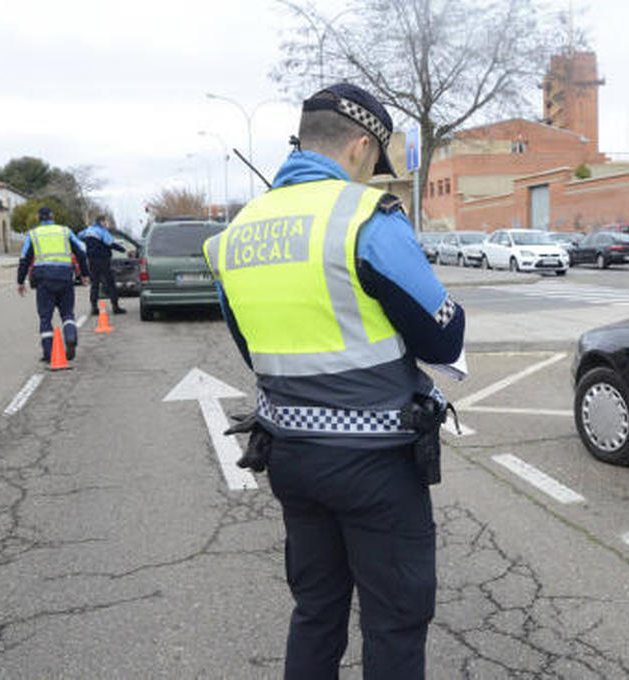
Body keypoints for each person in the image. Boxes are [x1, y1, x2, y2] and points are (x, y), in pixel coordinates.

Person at [203, 83, 465, 680]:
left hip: (291, 458)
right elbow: (443, 338)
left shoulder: (238, 232)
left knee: (316, 611)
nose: (374, 174)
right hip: (376, 463)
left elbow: (253, 348)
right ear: (359, 145)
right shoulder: (364, 218)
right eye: (375, 162)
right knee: (395, 621)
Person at [17, 206, 90, 362]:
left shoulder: (33, 234)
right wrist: (84, 275)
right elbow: (81, 251)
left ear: (39, 218)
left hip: (44, 280)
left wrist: (20, 281)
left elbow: (24, 259)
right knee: (67, 314)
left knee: (45, 317)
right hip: (65, 278)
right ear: (53, 217)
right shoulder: (65, 231)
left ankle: (49, 353)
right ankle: (70, 337)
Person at [78, 214, 128, 314]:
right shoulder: (102, 231)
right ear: (102, 222)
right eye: (106, 221)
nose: (107, 224)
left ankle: (94, 308)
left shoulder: (88, 230)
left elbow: (79, 236)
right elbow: (110, 243)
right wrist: (123, 250)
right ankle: (115, 306)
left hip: (92, 260)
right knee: (110, 283)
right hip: (103, 260)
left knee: (95, 284)